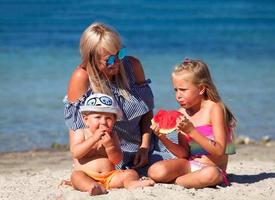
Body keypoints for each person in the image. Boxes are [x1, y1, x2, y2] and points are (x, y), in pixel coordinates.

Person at [63, 22, 175, 176]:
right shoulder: (82, 77)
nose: (117, 63)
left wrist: (144, 146)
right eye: (109, 60)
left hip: (145, 146)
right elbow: (77, 130)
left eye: (120, 54)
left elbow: (147, 113)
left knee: (182, 144)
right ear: (92, 58)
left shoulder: (132, 66)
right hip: (110, 156)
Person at [148, 59, 236, 188]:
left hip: (213, 168)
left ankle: (177, 182)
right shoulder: (181, 113)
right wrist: (162, 137)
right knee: (155, 171)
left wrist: (192, 131)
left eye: (183, 90)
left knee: (210, 175)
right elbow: (183, 154)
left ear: (201, 89)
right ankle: (188, 180)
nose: (178, 95)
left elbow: (219, 150)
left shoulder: (214, 108)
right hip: (190, 165)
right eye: (175, 90)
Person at [69, 93, 154, 195]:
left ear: (114, 121)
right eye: (98, 117)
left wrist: (110, 146)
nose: (103, 122)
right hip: (87, 175)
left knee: (130, 173)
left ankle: (131, 183)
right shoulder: (81, 132)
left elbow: (117, 160)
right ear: (86, 119)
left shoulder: (113, 136)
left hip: (109, 176)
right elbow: (76, 153)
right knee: (76, 176)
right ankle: (93, 187)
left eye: (108, 118)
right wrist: (93, 139)